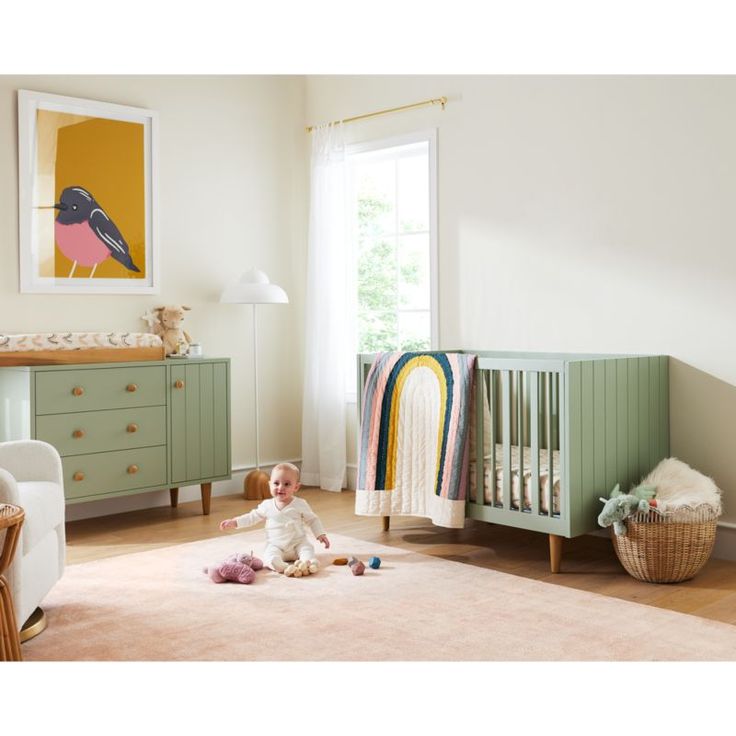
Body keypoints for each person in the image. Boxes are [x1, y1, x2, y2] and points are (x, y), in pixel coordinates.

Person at [219, 462, 330, 575]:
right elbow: (252, 517)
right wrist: (235, 522)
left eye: (287, 484)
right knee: (269, 556)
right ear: (269, 485)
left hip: (297, 543)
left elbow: (312, 520)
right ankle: (283, 567)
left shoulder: (300, 504)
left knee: (307, 549)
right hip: (276, 545)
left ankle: (308, 563)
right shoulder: (267, 505)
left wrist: (320, 534)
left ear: (296, 487)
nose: (280, 487)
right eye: (276, 483)